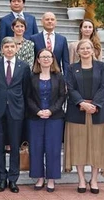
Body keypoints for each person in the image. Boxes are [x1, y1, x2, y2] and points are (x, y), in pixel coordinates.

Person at [64, 39, 104, 194]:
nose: (85, 50)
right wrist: (81, 103)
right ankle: (81, 179)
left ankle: (94, 179)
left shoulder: (102, 67)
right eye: (82, 48)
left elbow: (103, 87)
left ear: (93, 50)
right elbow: (70, 88)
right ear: (77, 52)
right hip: (77, 112)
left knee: (97, 147)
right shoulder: (72, 68)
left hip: (98, 111)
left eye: (88, 48)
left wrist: (94, 105)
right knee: (79, 146)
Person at [0, 37, 31, 193]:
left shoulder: (24, 67)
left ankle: (13, 179)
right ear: (2, 49)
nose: (9, 49)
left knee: (14, 146)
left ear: (17, 48)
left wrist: (24, 111)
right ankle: (2, 178)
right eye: (6, 46)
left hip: (16, 111)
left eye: (12, 46)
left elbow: (26, 91)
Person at [27, 49, 66, 192]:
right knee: (36, 148)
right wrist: (37, 111)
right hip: (35, 118)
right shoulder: (32, 77)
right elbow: (28, 97)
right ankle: (39, 177)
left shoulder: (59, 77)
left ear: (53, 59)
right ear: (37, 59)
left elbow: (62, 97)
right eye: (42, 57)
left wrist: (51, 110)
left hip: (54, 118)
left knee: (53, 149)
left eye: (48, 57)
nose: (45, 59)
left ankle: (51, 179)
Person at [31, 12, 69, 77]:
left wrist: (66, 78)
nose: (50, 21)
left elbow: (65, 61)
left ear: (56, 22)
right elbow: (32, 60)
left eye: (52, 19)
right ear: (42, 22)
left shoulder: (62, 39)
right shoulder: (34, 38)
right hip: (38, 75)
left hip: (57, 75)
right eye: (47, 19)